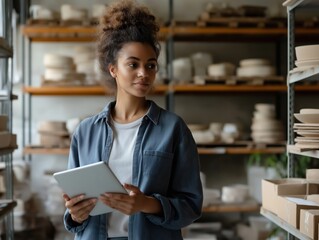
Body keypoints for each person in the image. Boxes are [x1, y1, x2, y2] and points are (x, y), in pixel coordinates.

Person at [62, 0, 203, 239]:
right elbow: (75, 208)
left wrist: (145, 204)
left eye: (150, 65)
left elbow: (191, 206)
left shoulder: (172, 129)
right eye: (133, 64)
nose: (144, 73)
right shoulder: (85, 131)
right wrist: (75, 214)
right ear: (113, 69)